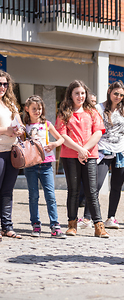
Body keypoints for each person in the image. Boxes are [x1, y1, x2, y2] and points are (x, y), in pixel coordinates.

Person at [55, 80, 109, 238]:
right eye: (77, 93)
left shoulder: (92, 112)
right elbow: (62, 135)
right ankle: (72, 225)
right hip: (70, 155)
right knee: (73, 191)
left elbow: (98, 132)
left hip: (90, 155)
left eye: (83, 93)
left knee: (92, 192)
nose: (80, 96)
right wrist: (79, 149)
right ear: (71, 95)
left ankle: (99, 226)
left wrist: (84, 150)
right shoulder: (64, 112)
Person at [80, 81, 124, 230]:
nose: (118, 97)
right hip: (101, 151)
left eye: (121, 95)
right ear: (109, 91)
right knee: (95, 185)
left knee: (116, 187)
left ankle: (111, 217)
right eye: (116, 93)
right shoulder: (98, 108)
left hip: (120, 153)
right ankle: (88, 218)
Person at [23, 95, 66, 238]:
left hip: (46, 163)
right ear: (27, 109)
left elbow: (60, 138)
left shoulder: (46, 124)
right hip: (30, 164)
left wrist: (54, 144)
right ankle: (36, 224)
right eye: (34, 108)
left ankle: (55, 225)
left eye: (39, 108)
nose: (37, 111)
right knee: (33, 195)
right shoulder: (24, 126)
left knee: (50, 195)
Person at [0, 71, 25, 240]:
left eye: (5, 84)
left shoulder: (10, 105)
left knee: (7, 191)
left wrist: (20, 129)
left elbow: (21, 125)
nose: (2, 87)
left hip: (12, 152)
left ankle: (7, 226)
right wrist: (7, 130)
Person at [78, 92, 96, 208]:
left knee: (91, 184)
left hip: (91, 152)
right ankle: (80, 200)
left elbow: (98, 132)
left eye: (95, 101)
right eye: (92, 101)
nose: (93, 103)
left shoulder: (94, 114)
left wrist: (85, 149)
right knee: (79, 183)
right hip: (76, 152)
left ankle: (85, 202)